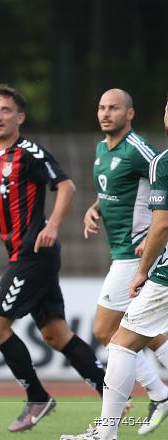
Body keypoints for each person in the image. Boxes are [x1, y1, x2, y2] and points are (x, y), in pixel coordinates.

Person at [0, 84, 105, 433]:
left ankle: (38, 397)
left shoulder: (29, 153)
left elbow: (67, 186)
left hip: (34, 253)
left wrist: (54, 225)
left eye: (6, 111)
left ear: (20, 118)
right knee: (57, 335)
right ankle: (112, 391)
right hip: (22, 253)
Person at [61, 95, 168, 440]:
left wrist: (149, 246)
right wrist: (95, 206)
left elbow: (161, 207)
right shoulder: (102, 149)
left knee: (112, 335)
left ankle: (151, 400)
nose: (106, 114)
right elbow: (116, 190)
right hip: (128, 249)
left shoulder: (146, 153)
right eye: (102, 108)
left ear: (131, 113)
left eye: (114, 108)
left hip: (137, 253)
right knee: (137, 334)